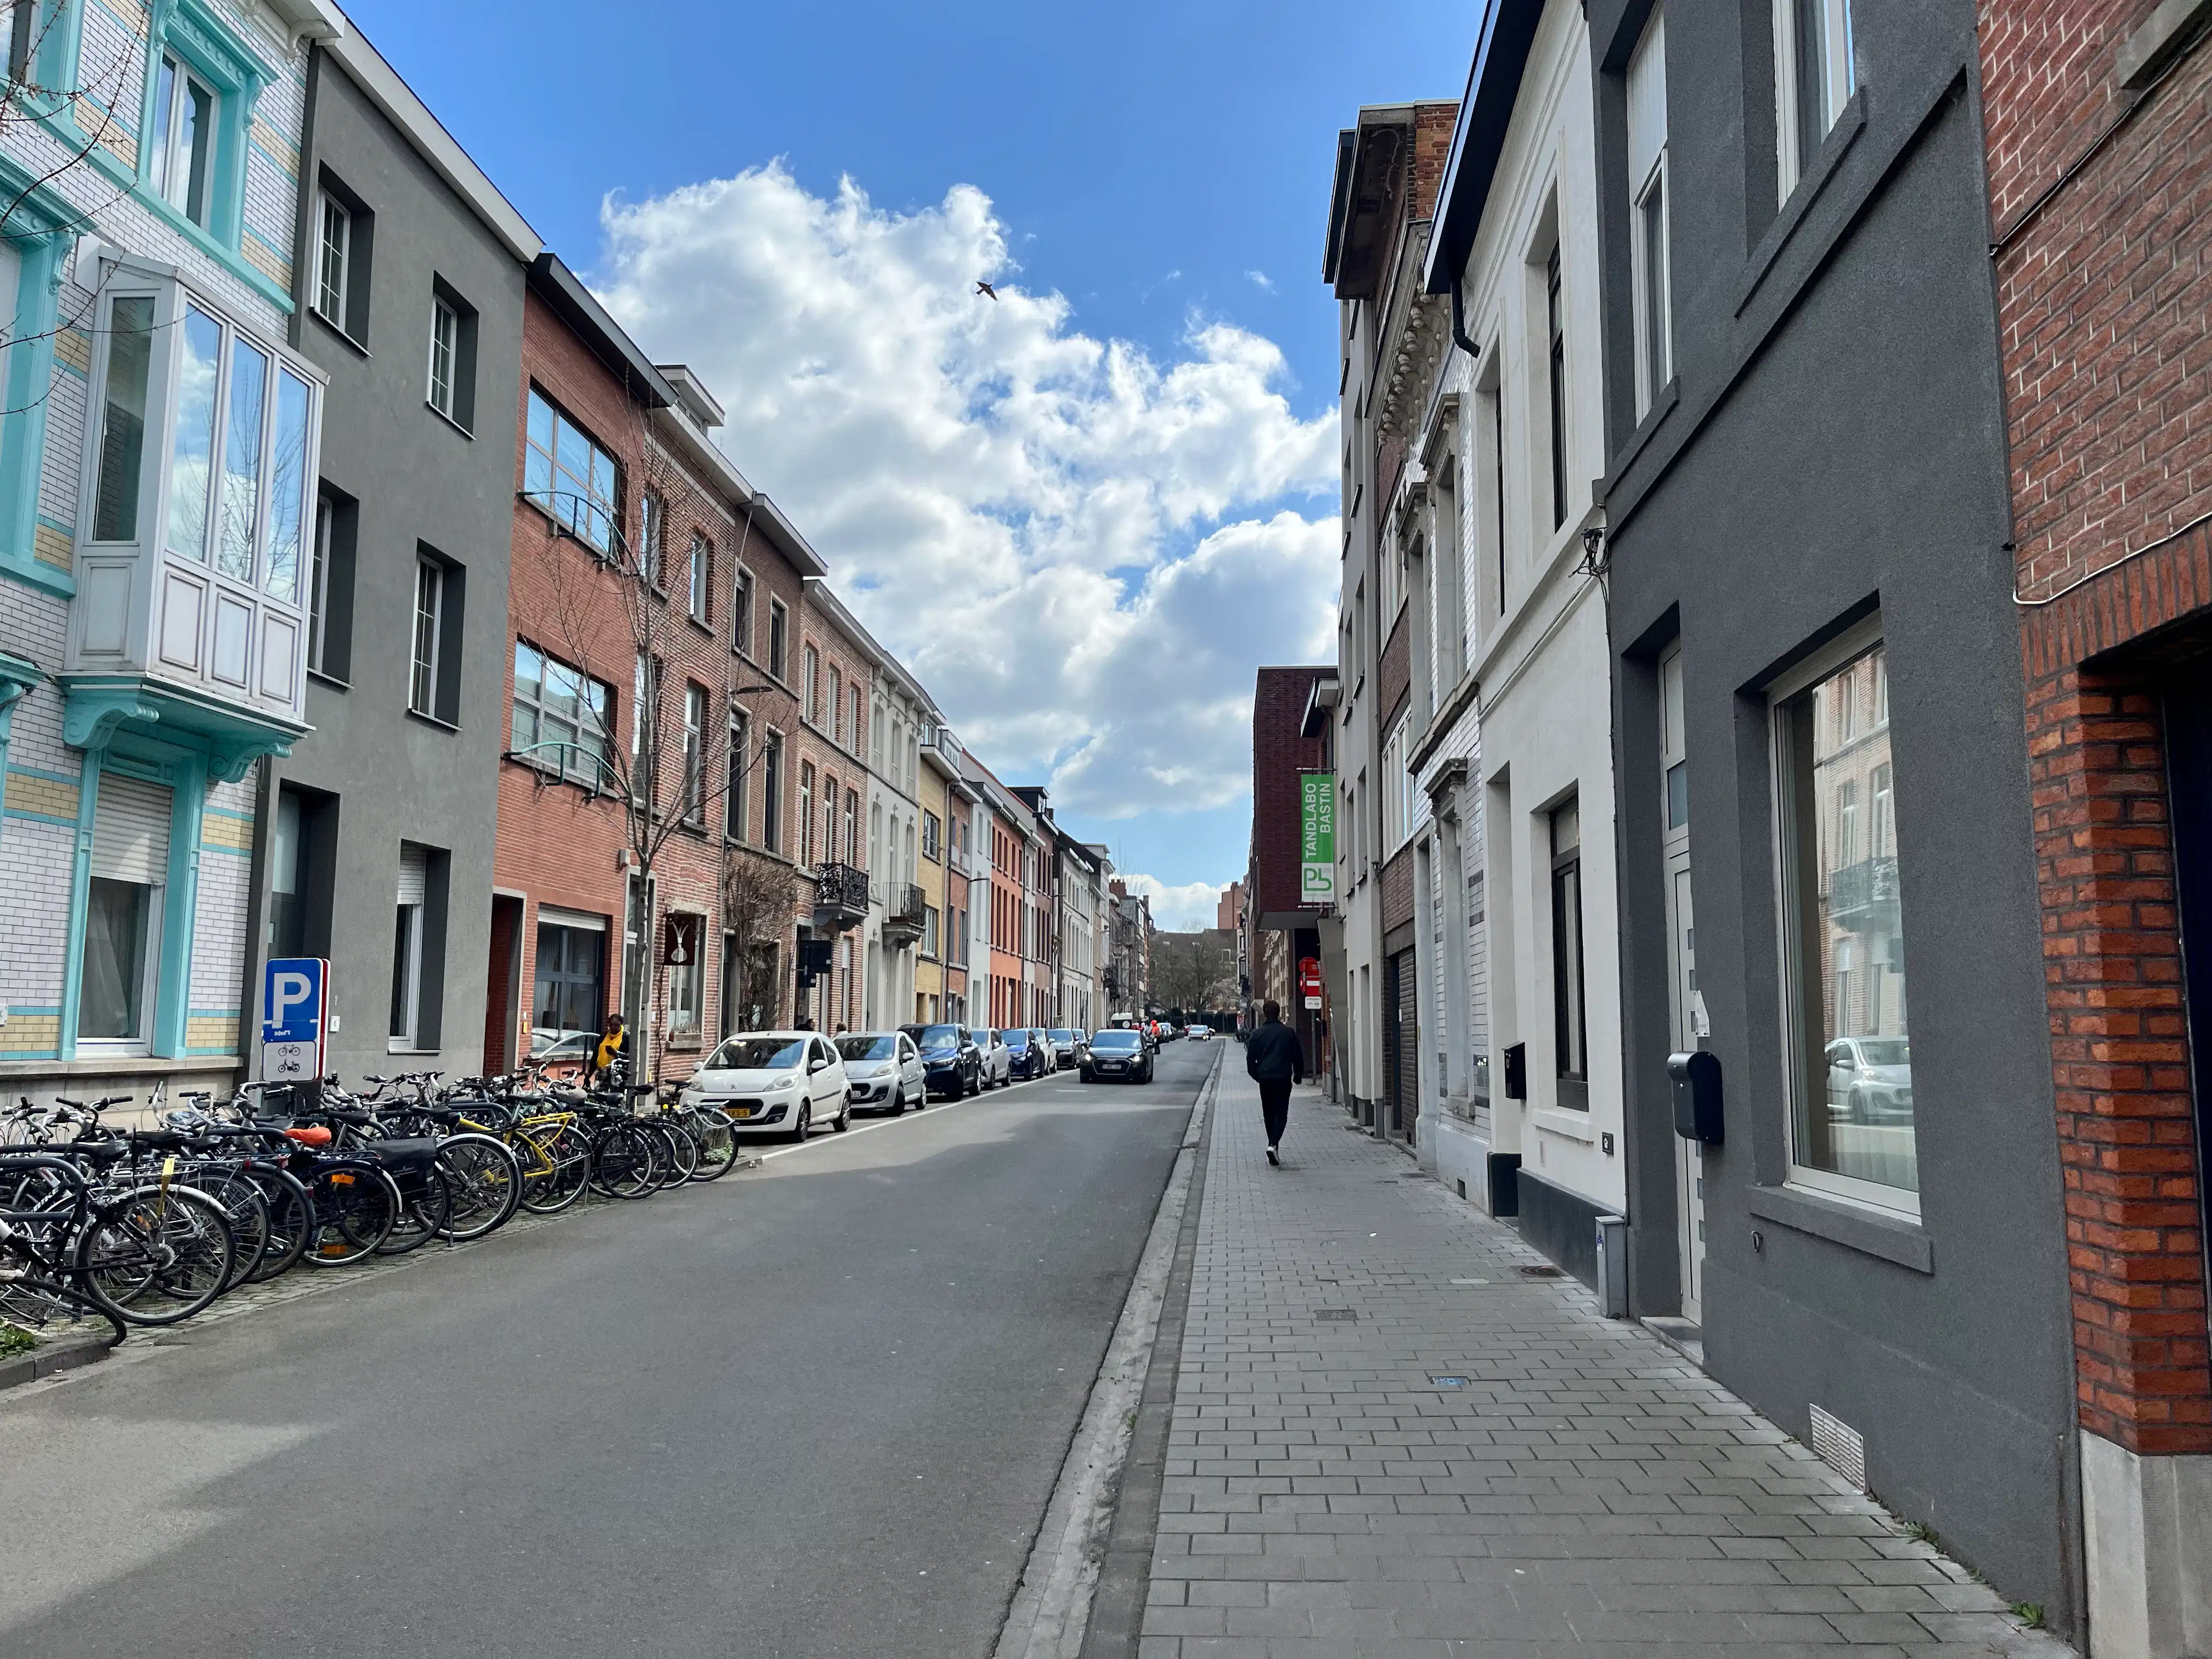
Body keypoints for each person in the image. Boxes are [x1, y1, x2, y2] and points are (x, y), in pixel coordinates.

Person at [1244, 999, 1305, 1166]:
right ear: (1278, 1013)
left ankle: (1273, 1144)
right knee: (1282, 1114)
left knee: (1269, 1114)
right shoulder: (1288, 1033)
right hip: (1283, 1078)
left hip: (1265, 1079)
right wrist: (1298, 1075)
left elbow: (1250, 1062)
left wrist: (1259, 1076)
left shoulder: (1256, 1034)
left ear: (1264, 1013)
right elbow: (1298, 1057)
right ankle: (1273, 1144)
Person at [591, 1014, 628, 1085]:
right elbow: (595, 1056)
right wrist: (589, 1075)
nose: (613, 1028)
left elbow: (628, 1056)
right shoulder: (604, 1037)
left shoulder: (626, 1037)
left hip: (617, 1074)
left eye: (616, 1025)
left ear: (621, 1024)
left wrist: (615, 1053)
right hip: (602, 1072)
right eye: (611, 1025)